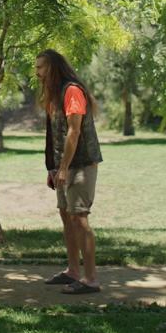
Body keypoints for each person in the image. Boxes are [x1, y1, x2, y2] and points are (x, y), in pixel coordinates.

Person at [36, 48, 103, 294]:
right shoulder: (54, 95)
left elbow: (74, 132)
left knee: (79, 218)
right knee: (66, 215)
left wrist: (63, 167)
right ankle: (73, 271)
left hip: (80, 165)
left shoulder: (72, 91)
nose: (37, 73)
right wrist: (53, 167)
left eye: (41, 67)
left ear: (53, 68)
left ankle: (91, 279)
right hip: (63, 167)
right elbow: (55, 134)